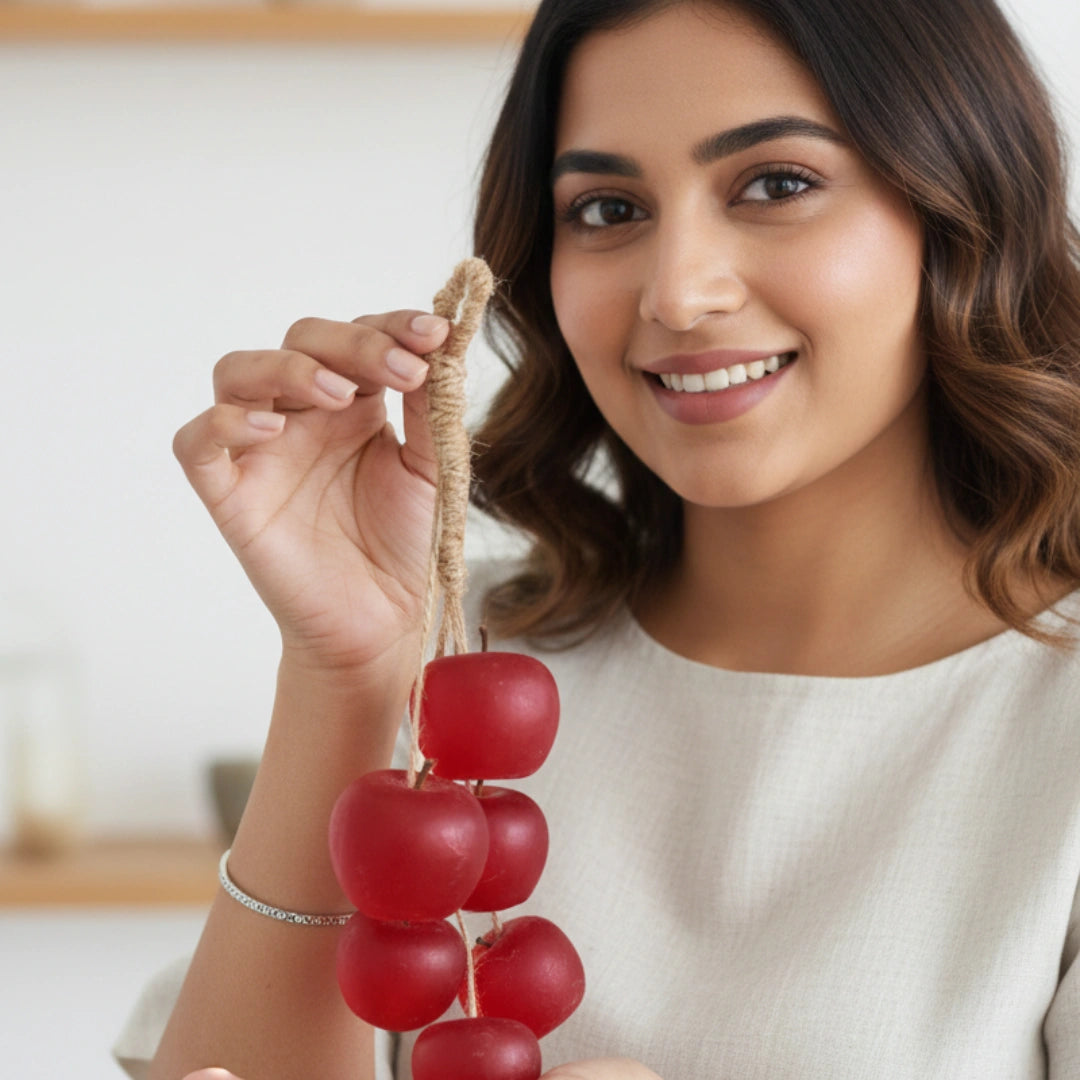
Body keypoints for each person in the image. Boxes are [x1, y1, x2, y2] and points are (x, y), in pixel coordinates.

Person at [117, 0, 1080, 1076]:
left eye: (776, 184)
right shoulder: (453, 665)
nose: (676, 294)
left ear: (964, 207)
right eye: (608, 207)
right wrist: (344, 670)